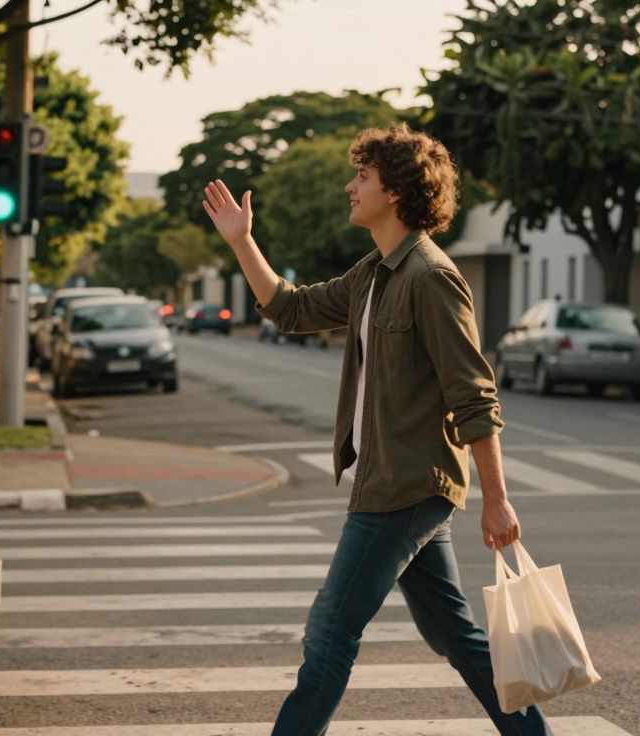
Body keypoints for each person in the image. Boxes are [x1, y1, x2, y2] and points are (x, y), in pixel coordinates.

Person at [202, 123, 552, 736]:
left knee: (330, 632)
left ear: (395, 191)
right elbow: (291, 308)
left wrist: (497, 499)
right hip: (393, 483)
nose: (349, 186)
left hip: (403, 489)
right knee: (455, 636)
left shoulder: (431, 278)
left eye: (362, 176)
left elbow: (474, 394)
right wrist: (242, 243)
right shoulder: (374, 273)